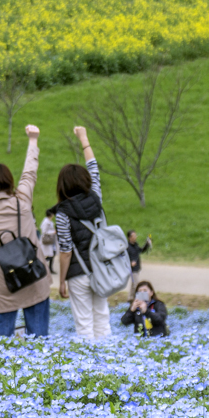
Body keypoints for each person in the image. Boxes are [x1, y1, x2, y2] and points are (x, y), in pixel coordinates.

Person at [0, 124, 51, 337]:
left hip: (5, 279)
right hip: (34, 272)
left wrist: (1, 268)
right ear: (9, 181)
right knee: (39, 343)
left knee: (0, 345)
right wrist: (33, 140)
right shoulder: (22, 200)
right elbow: (30, 172)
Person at [54, 127, 116, 342]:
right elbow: (94, 169)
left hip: (78, 273)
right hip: (100, 268)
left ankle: (88, 368)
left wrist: (61, 281)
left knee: (84, 324)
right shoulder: (96, 198)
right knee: (102, 318)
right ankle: (108, 364)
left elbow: (65, 252)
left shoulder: (62, 214)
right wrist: (84, 138)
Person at [125, 230, 152, 295]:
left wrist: (147, 244)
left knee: (133, 284)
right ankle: (136, 299)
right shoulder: (127, 247)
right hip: (132, 269)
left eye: (135, 235)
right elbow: (124, 258)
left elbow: (141, 250)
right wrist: (130, 263)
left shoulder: (135, 245)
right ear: (130, 237)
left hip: (136, 268)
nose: (135, 237)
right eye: (134, 236)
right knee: (136, 284)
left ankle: (130, 298)